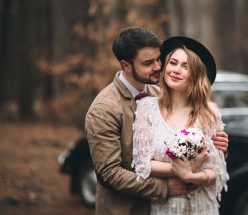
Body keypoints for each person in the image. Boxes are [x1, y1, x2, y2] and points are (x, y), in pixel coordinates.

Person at [85, 27, 229, 215]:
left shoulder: (159, 94)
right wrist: (166, 187)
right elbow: (109, 174)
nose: (158, 67)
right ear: (126, 66)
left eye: (158, 59)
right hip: (127, 210)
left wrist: (218, 146)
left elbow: (209, 160)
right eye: (148, 63)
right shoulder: (104, 109)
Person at [132, 36, 229, 215]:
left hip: (202, 207)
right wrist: (181, 170)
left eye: (185, 66)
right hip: (166, 207)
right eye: (173, 63)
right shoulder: (146, 108)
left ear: (196, 75)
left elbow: (216, 170)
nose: (176, 70)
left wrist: (191, 177)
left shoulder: (209, 112)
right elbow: (142, 164)